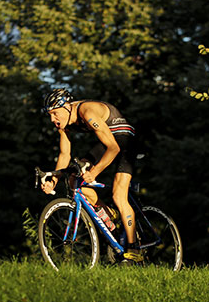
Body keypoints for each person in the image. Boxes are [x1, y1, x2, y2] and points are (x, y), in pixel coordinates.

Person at [40, 88, 142, 263]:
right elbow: (65, 155)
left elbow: (114, 148)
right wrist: (54, 181)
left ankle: (134, 250)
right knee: (74, 178)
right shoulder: (63, 125)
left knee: (119, 195)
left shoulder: (87, 112)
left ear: (67, 107)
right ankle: (109, 213)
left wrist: (94, 172)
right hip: (108, 141)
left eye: (55, 113)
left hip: (125, 141)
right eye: (50, 115)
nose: (52, 119)